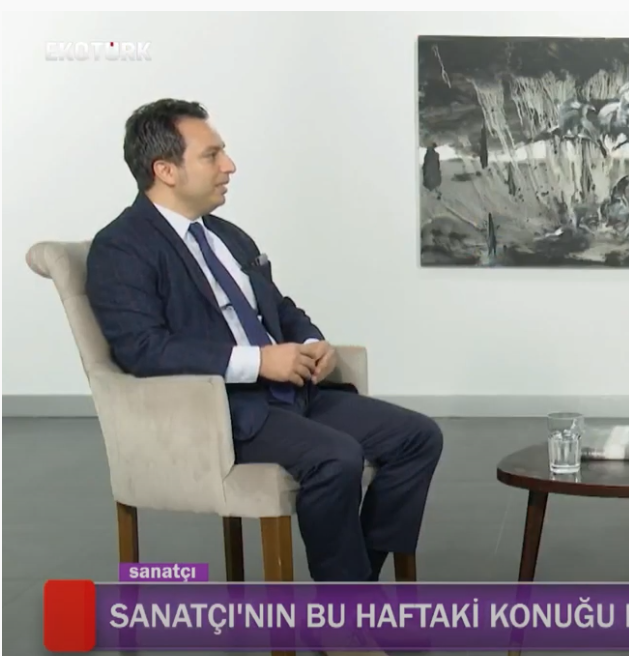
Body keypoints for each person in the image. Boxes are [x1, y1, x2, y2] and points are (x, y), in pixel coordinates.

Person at [85, 99, 443, 606]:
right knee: (336, 457)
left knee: (417, 437)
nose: (229, 165)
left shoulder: (227, 235)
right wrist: (258, 362)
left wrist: (312, 341)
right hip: (224, 411)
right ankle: (347, 615)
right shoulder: (121, 247)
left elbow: (279, 306)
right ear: (165, 170)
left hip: (292, 392)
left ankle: (355, 591)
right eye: (212, 155)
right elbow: (145, 350)